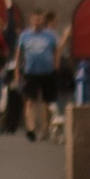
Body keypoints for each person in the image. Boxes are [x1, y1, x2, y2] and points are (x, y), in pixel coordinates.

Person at [18, 9, 59, 145]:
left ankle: (46, 128)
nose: (37, 22)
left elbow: (56, 50)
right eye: (35, 19)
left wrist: (56, 64)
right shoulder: (25, 35)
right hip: (30, 72)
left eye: (40, 19)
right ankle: (31, 129)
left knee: (47, 102)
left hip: (47, 72)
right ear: (31, 20)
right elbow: (19, 53)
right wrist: (17, 71)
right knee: (30, 101)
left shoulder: (50, 35)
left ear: (43, 21)